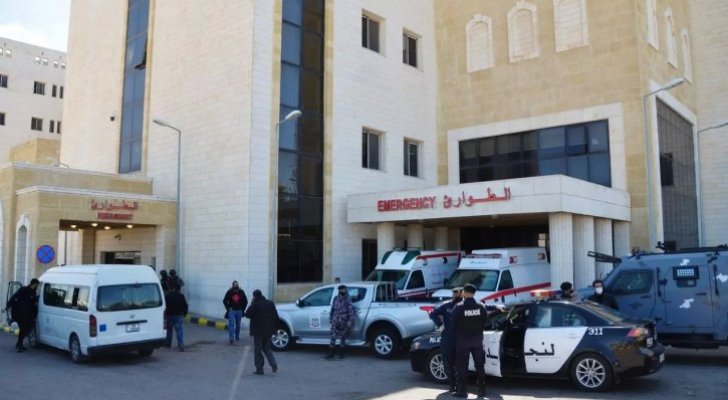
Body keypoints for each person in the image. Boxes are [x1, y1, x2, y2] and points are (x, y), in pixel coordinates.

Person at [452, 284, 488, 398]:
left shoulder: (459, 307)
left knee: (462, 367)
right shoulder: (481, 306)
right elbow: (485, 320)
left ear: (465, 292)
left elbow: (454, 322)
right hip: (477, 340)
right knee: (480, 366)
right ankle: (481, 391)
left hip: (463, 341)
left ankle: (462, 391)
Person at [429, 287, 463, 393]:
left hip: (461, 340)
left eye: (459, 293)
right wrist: (440, 324)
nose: (456, 294)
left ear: (462, 294)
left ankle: (460, 386)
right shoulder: (446, 305)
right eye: (455, 293)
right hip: (448, 339)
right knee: (448, 363)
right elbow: (432, 313)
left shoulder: (466, 305)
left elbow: (482, 308)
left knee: (460, 364)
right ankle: (452, 385)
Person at [245, 289, 279, 375]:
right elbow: (276, 317)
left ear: (255, 296)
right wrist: (275, 329)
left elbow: (247, 314)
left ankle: (259, 369)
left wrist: (252, 303)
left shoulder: (255, 304)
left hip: (258, 332)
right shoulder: (270, 303)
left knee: (258, 350)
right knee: (267, 349)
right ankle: (274, 365)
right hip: (269, 331)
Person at [5, 279, 39, 352]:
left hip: (27, 315)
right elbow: (14, 296)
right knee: (23, 329)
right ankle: (19, 345)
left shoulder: (33, 292)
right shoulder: (24, 289)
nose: (37, 287)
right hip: (20, 314)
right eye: (37, 285)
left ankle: (19, 344)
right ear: (34, 284)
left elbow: (33, 303)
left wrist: (34, 314)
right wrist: (8, 305)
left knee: (26, 329)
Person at [326, 284, 354, 360]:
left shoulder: (348, 299)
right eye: (341, 289)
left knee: (342, 337)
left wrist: (350, 321)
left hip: (343, 320)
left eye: (344, 289)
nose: (343, 291)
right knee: (333, 336)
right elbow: (332, 309)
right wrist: (331, 318)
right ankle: (331, 353)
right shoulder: (335, 298)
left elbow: (351, 311)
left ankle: (341, 353)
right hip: (335, 320)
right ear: (339, 290)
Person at [165, 284, 188, 351]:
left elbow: (165, 306)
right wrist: (184, 314)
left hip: (170, 315)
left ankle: (168, 344)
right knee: (179, 330)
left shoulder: (168, 296)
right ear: (179, 289)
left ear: (173, 288)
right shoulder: (181, 296)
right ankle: (181, 344)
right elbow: (185, 305)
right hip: (178, 316)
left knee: (169, 330)